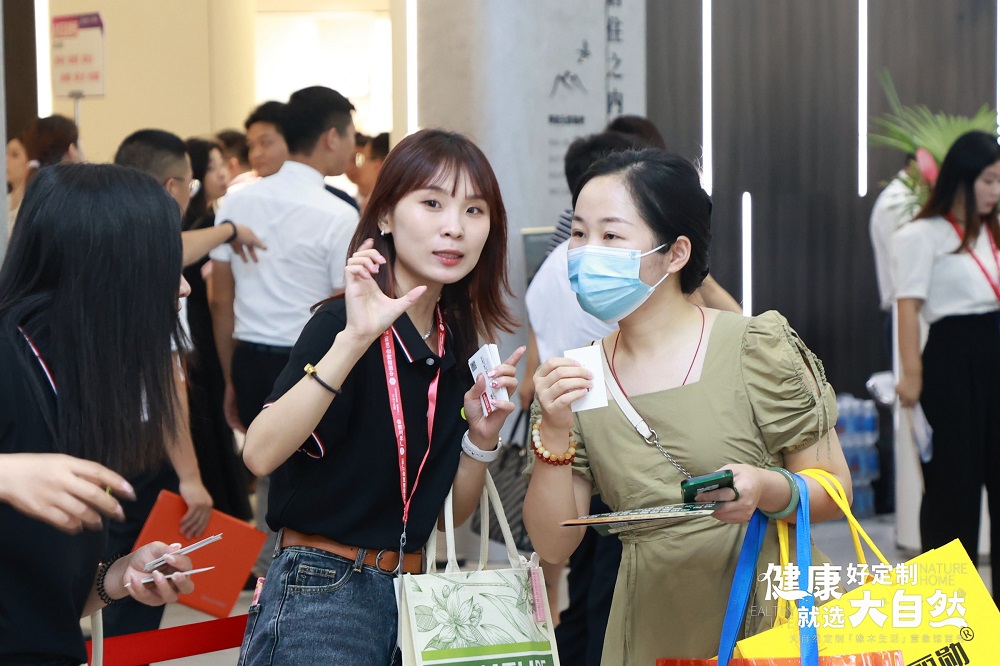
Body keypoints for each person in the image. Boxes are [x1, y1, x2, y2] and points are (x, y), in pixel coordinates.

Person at [523, 149, 851, 663]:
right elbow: (553, 545)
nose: (587, 253)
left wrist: (766, 488)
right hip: (651, 625)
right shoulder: (580, 376)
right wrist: (555, 432)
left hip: (770, 620)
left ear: (675, 253)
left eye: (611, 236)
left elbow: (835, 489)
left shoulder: (754, 346)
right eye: (579, 234)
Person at [237, 129, 523, 664]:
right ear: (386, 216)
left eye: (474, 210)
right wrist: (353, 340)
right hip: (322, 589)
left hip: (415, 595)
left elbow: (448, 516)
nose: (454, 227)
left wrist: (481, 440)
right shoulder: (339, 324)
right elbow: (259, 453)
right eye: (432, 203)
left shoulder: (456, 342)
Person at [0, 163, 196, 664]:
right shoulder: (8, 359)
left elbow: (49, 601)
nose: (183, 288)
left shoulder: (80, 388)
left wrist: (121, 577)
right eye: (165, 266)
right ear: (110, 271)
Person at [892, 129, 1000, 600]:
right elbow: (908, 307)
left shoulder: (991, 232)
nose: (996, 192)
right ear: (962, 177)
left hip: (994, 353)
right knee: (952, 490)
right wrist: (912, 377)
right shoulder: (922, 234)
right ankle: (950, 612)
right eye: (989, 181)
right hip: (953, 363)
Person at [182, 137, 253, 522]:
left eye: (222, 163)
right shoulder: (205, 226)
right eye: (211, 167)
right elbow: (216, 298)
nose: (222, 173)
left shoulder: (210, 220)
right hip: (200, 333)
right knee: (206, 422)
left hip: (203, 330)